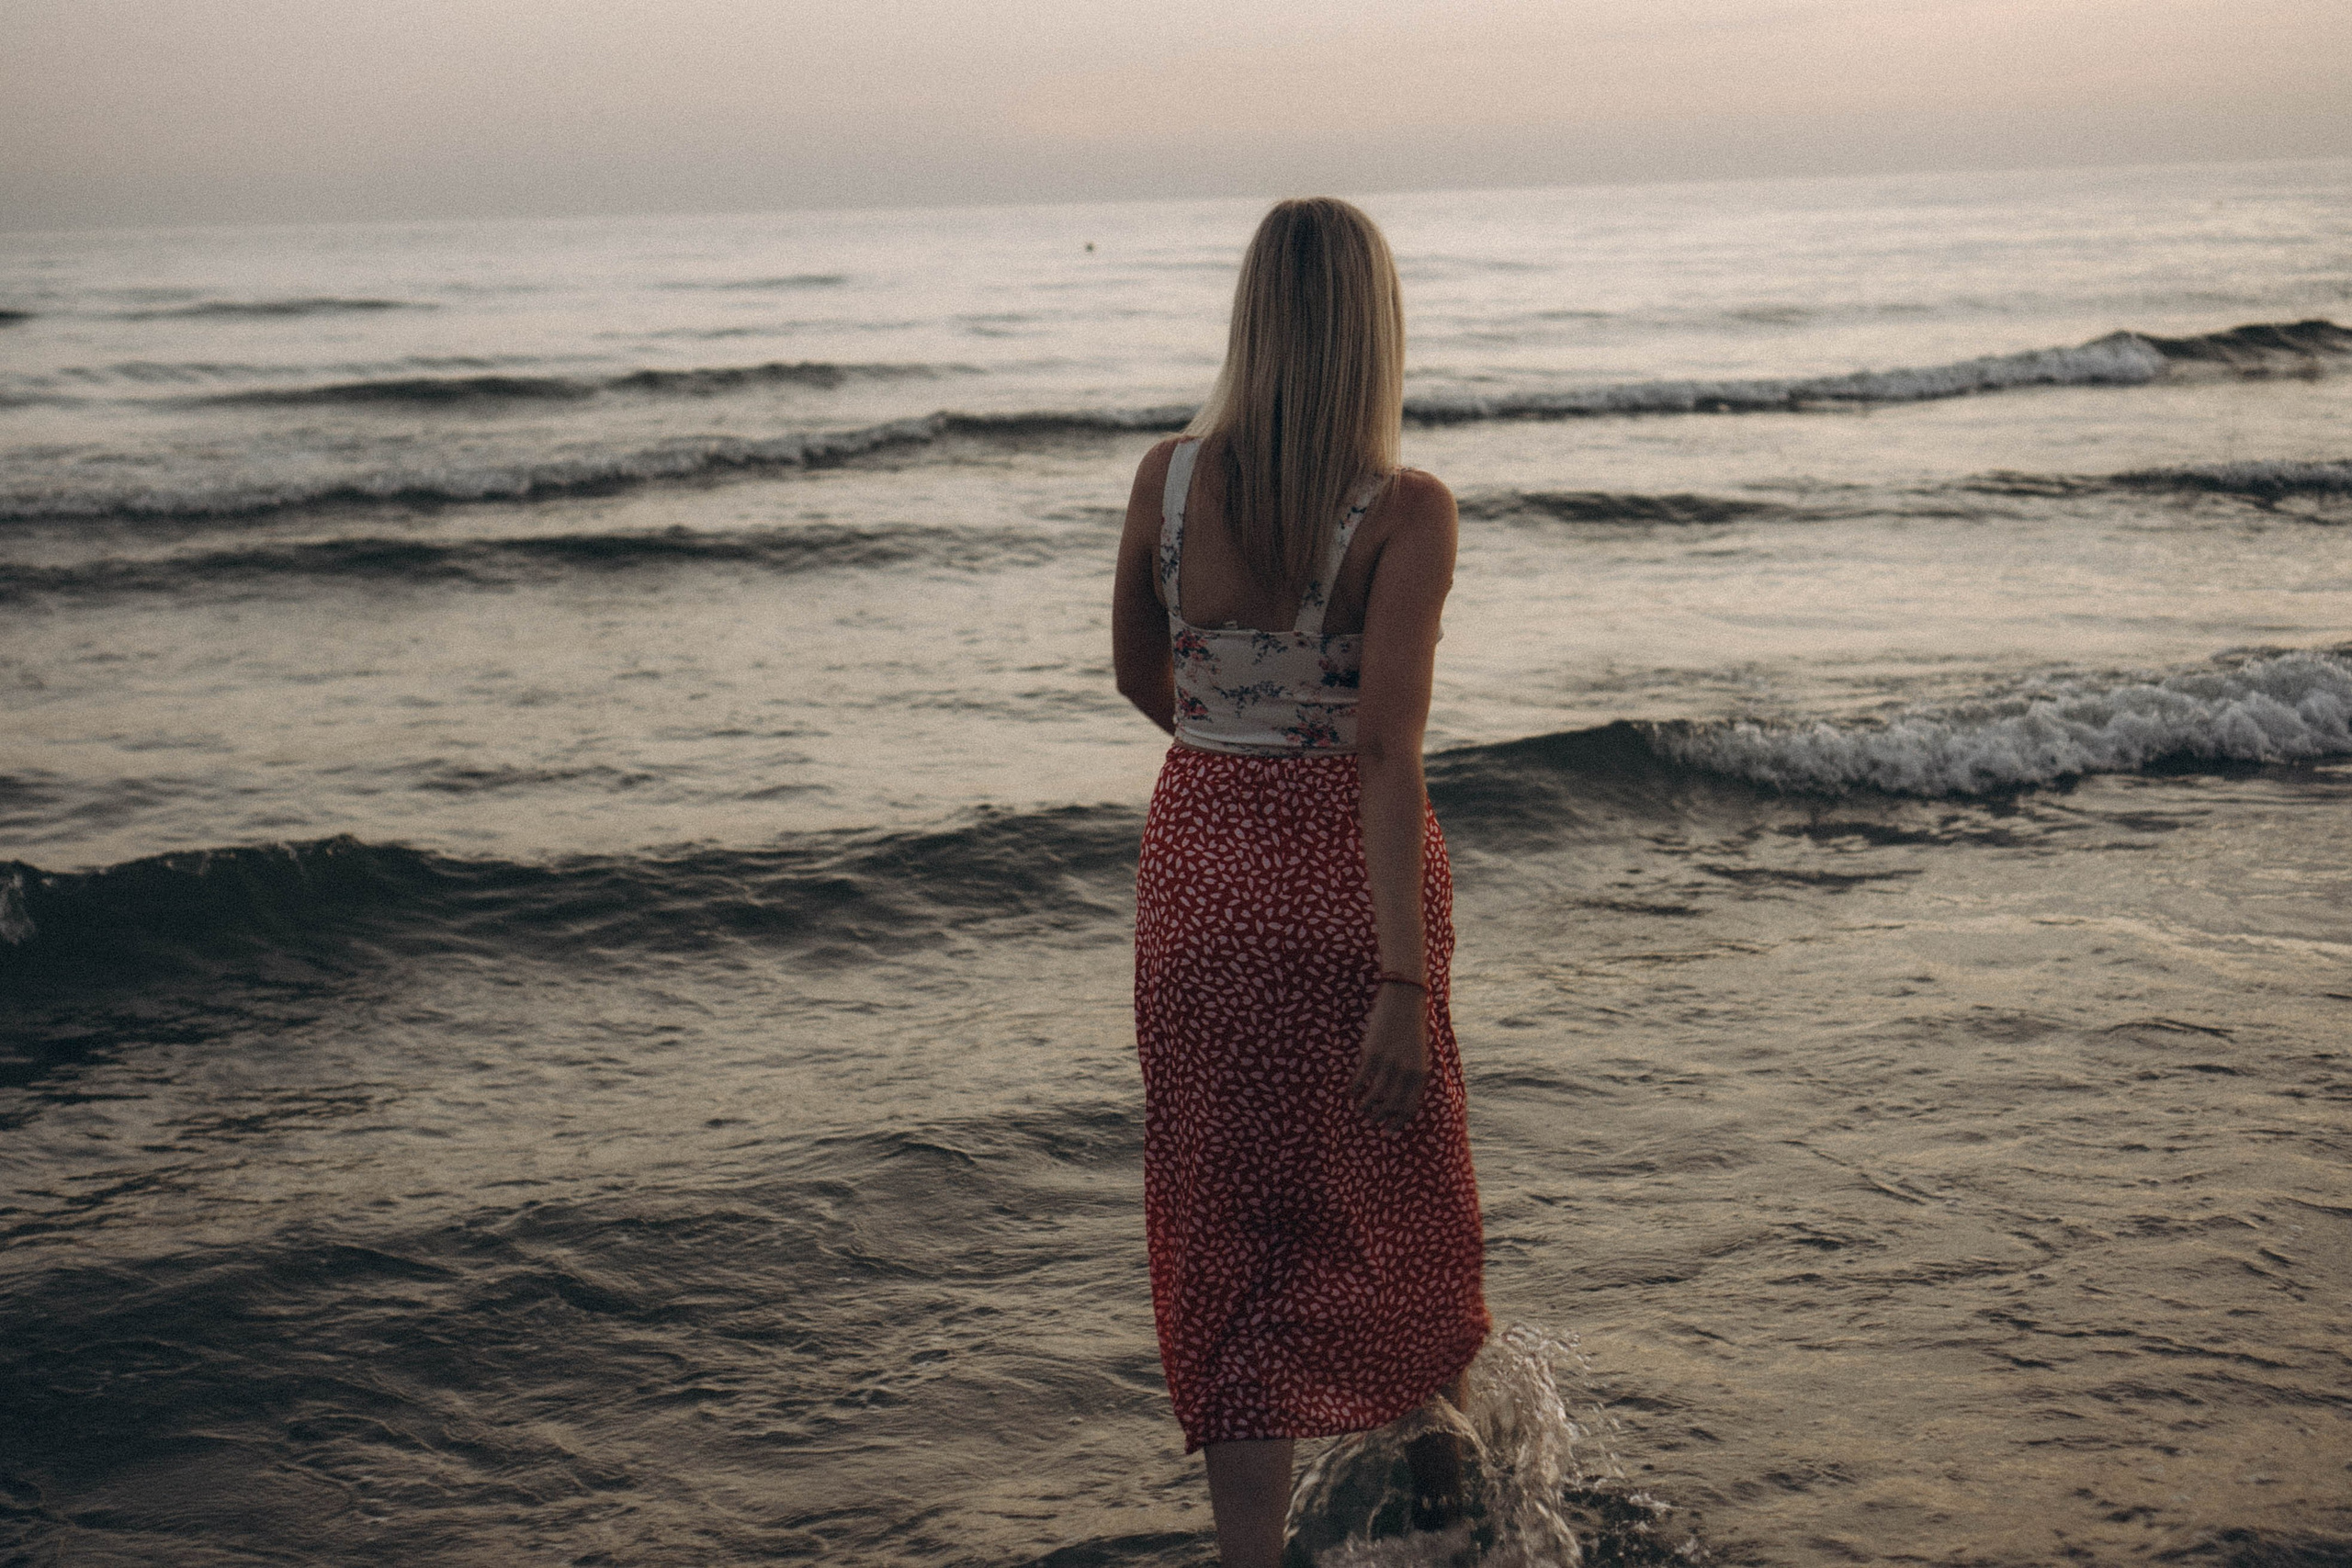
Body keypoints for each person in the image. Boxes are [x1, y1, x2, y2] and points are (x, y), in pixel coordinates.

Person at [1111, 197, 1491, 1568]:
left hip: (1199, 880)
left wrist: (1234, 766)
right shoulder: (1406, 514)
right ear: (1374, 331)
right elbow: (1385, 749)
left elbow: (1138, 675)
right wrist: (1402, 977)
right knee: (1397, 1188)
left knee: (1229, 1214)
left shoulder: (1163, 481)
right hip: (1349, 889)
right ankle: (1455, 1511)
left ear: (1253, 315)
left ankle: (1249, 1560)